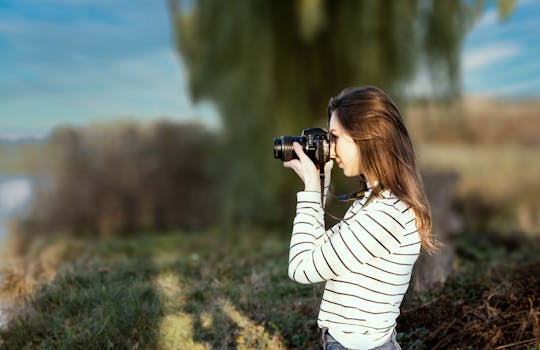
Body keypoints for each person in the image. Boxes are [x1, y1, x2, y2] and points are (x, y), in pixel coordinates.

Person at [283, 86, 436, 350]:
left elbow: (301, 268)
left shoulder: (386, 213)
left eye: (335, 137)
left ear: (365, 138)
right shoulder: (377, 200)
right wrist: (320, 184)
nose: (330, 148)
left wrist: (310, 189)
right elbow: (321, 249)